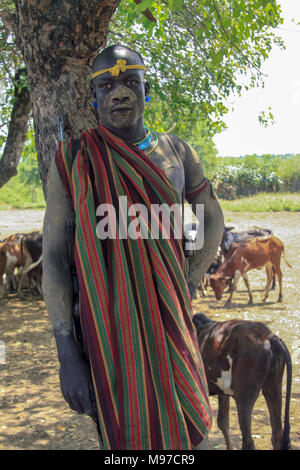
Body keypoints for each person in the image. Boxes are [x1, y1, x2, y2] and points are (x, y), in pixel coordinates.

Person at [42, 45, 224, 450]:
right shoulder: (75, 160)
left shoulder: (178, 154)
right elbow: (54, 257)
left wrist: (188, 280)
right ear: (93, 99)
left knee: (191, 423)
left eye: (130, 83)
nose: (119, 93)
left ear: (147, 91)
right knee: (123, 434)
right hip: (106, 327)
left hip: (172, 319)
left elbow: (209, 219)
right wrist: (66, 351)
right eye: (106, 85)